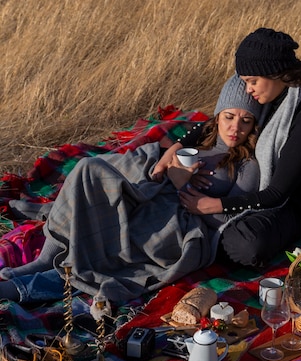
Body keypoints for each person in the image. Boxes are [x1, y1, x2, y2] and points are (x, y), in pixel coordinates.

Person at [0, 75, 261, 304]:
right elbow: (171, 152)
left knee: (114, 243)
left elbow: (230, 220)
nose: (235, 128)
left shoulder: (247, 166)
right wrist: (168, 167)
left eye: (245, 121)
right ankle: (48, 256)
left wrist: (186, 190)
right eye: (228, 117)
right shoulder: (204, 134)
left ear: (254, 125)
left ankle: (23, 288)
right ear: (218, 116)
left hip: (182, 222)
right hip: (156, 190)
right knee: (88, 170)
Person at [177, 27, 301, 266]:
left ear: (275, 73)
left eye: (252, 81)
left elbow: (277, 194)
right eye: (245, 82)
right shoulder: (269, 96)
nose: (248, 89)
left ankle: (200, 231)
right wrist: (175, 146)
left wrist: (213, 206)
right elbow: (214, 121)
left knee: (248, 244)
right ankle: (199, 231)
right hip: (250, 191)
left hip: (286, 207)